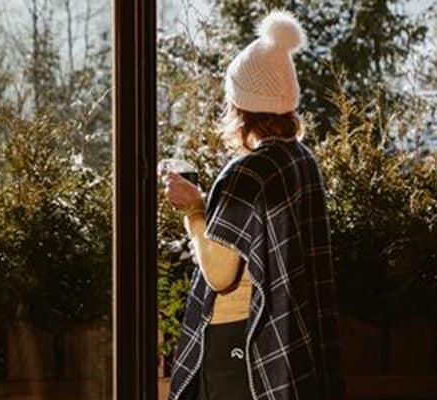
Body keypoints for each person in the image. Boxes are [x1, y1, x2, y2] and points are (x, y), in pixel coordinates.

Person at [163, 10, 344, 400]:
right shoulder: (300, 160)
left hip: (240, 341)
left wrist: (194, 210)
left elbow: (220, 274)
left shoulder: (247, 172)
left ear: (241, 107)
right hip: (288, 341)